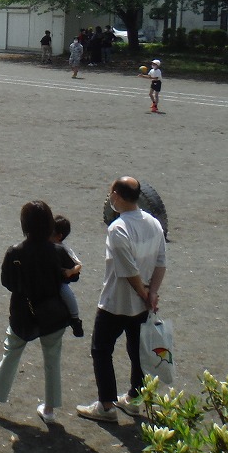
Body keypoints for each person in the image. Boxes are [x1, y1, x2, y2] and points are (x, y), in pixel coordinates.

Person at [0, 201, 77, 425]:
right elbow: (73, 275)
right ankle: (49, 409)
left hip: (23, 313)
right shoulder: (58, 250)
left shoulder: (15, 252)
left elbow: (7, 282)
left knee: (11, 354)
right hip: (53, 313)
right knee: (52, 360)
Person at [78, 177, 167, 422]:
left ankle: (106, 406)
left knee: (101, 350)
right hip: (142, 306)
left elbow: (128, 271)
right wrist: (152, 293)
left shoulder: (118, 228)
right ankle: (134, 400)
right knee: (138, 352)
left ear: (116, 195)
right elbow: (161, 262)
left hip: (115, 303)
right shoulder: (154, 223)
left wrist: (144, 293)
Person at [51, 214, 86, 337]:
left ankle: (75, 318)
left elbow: (78, 265)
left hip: (58, 278)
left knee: (65, 291)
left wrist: (70, 271)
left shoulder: (64, 249)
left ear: (59, 236)